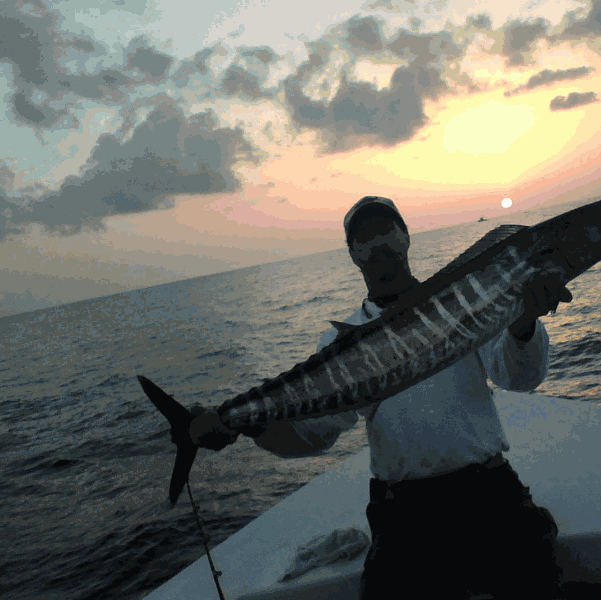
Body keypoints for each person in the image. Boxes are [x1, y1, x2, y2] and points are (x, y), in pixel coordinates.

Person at [190, 196, 572, 599]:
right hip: (404, 512)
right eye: (363, 238)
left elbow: (519, 378)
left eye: (386, 230)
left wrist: (524, 323)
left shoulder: (463, 297)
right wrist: (250, 426)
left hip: (490, 493)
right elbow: (314, 435)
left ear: (406, 237)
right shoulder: (341, 341)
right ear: (353, 255)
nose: (377, 244)